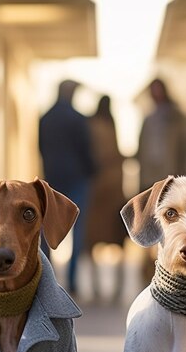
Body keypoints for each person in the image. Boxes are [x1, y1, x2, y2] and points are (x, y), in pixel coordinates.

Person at [39, 79, 96, 295]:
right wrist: (92, 171)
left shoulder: (45, 118)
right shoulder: (78, 119)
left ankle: (46, 279)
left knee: (47, 230)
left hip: (52, 178)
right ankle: (72, 283)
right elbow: (86, 150)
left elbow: (41, 149)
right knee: (77, 232)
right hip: (77, 178)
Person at [85, 95, 126, 301]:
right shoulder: (107, 125)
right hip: (108, 191)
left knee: (93, 242)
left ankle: (96, 288)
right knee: (114, 240)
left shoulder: (93, 125)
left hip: (98, 190)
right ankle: (112, 288)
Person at [137, 78, 186, 191]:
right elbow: (142, 147)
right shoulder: (149, 119)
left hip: (169, 169)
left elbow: (182, 144)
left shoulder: (175, 117)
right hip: (150, 169)